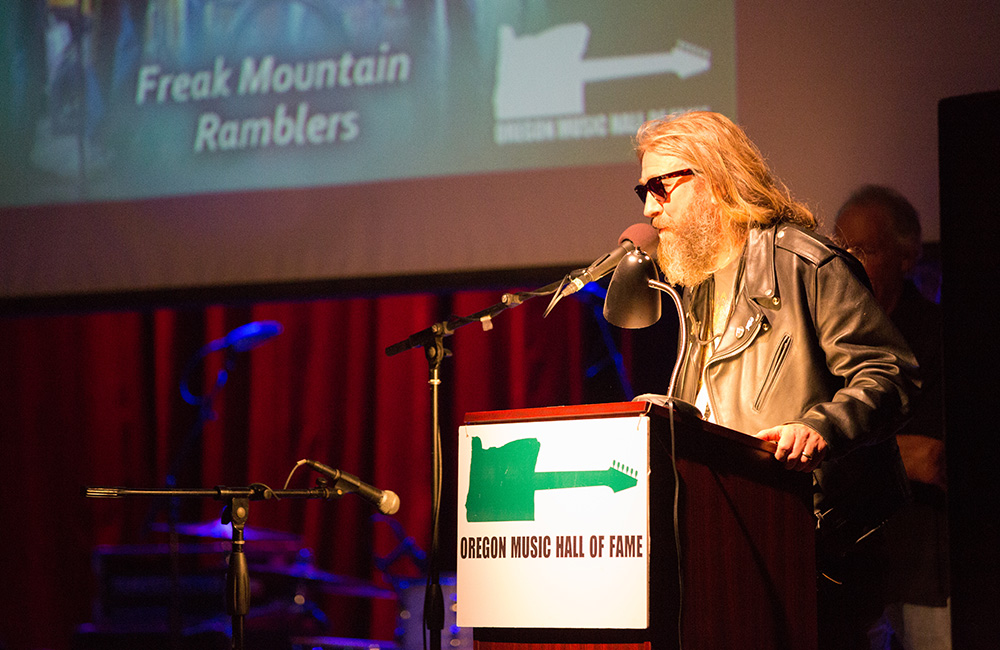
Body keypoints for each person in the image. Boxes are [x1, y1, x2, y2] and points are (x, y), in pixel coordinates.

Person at [632, 111, 920, 649]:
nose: (650, 209)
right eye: (642, 191)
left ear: (716, 180)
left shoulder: (804, 264)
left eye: (661, 188)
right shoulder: (696, 286)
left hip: (815, 547)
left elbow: (891, 372)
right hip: (728, 543)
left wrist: (822, 427)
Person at [835, 185, 949, 650]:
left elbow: (933, 460)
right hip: (852, 574)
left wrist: (838, 447)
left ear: (908, 256)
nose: (850, 264)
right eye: (842, 249)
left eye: (867, 250)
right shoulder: (829, 341)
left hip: (924, 574)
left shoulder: (943, 336)